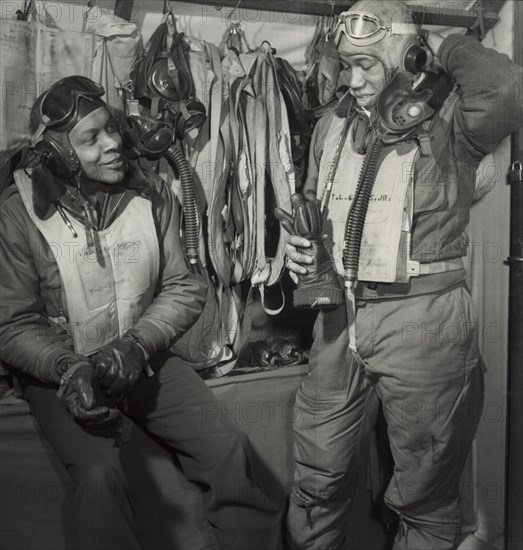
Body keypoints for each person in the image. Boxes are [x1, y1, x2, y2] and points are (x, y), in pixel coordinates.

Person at [0, 76, 282, 550]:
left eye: (110, 128)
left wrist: (137, 343)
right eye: (90, 139)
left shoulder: (150, 193)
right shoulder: (17, 214)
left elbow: (183, 287)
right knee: (98, 475)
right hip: (65, 373)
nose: (112, 144)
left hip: (141, 357)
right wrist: (70, 369)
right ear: (57, 154)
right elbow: (12, 324)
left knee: (226, 448)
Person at [280, 1, 523, 549]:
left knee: (426, 493)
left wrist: (436, 48)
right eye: (345, 64)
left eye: (367, 63)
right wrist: (302, 248)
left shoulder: (451, 120)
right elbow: (316, 205)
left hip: (425, 319)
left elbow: (510, 88)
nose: (353, 78)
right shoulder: (332, 125)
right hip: (339, 316)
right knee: (315, 479)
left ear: (404, 55)